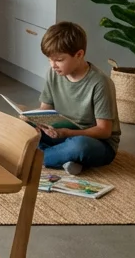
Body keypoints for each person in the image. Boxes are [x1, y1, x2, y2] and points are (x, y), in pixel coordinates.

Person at [35, 21, 120, 175]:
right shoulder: (53, 73)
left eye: (59, 60)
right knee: (24, 130)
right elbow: (45, 110)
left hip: (95, 142)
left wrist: (68, 133)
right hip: (61, 134)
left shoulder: (100, 83)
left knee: (79, 146)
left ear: (79, 55)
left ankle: (36, 157)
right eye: (49, 60)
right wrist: (33, 121)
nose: (53, 65)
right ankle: (66, 160)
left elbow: (104, 131)